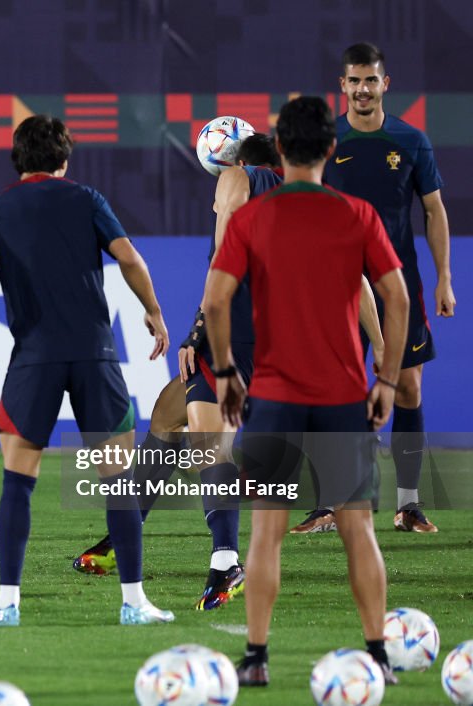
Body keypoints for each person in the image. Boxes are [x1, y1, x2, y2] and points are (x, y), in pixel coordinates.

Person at [203, 95, 409, 685]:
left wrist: (224, 372)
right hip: (344, 395)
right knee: (358, 529)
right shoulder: (357, 215)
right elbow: (394, 296)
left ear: (281, 149)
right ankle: (376, 654)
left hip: (274, 397)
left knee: (267, 532)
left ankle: (256, 659)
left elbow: (217, 298)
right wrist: (388, 379)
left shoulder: (251, 218)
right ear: (330, 149)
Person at [0, 115, 173, 627]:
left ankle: (7, 603)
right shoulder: (87, 198)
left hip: (34, 358)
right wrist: (154, 311)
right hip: (95, 355)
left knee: (17, 482)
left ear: (17, 159)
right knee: (118, 484)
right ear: (64, 159)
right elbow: (131, 259)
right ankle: (134, 603)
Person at [74, 135, 286, 614]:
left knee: (210, 444)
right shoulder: (304, 196)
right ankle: (121, 536)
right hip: (275, 332)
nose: (216, 202)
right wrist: (379, 349)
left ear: (238, 163)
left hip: (237, 328)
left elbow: (225, 257)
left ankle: (226, 560)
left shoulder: (239, 178)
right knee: (168, 417)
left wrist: (198, 331)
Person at [301, 41, 455, 534]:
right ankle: (325, 504)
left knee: (407, 387)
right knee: (329, 393)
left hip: (397, 286)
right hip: (336, 286)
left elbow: (433, 210)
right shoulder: (328, 142)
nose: (363, 89)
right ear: (342, 86)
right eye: (354, 80)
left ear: (385, 84)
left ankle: (407, 505)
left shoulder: (412, 142)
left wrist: (444, 277)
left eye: (371, 80)